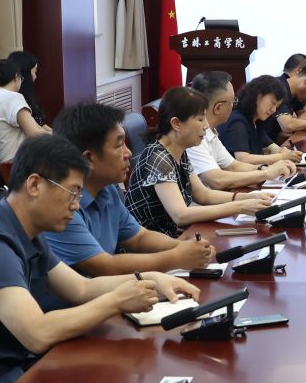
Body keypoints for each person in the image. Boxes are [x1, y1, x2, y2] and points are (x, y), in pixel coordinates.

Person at [0, 134, 200, 383]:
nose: (76, 206)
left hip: (6, 369)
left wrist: (152, 279)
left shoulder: (23, 230)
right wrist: (116, 301)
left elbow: (82, 288)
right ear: (35, 185)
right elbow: (38, 334)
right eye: (72, 193)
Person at [43, 102, 220, 276]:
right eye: (119, 145)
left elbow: (139, 237)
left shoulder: (107, 189)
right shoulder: (62, 206)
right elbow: (104, 266)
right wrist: (177, 257)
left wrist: (185, 247)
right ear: (89, 158)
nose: (128, 153)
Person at [127, 86, 270, 235]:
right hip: (154, 244)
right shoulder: (159, 158)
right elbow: (180, 215)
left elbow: (203, 195)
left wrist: (247, 197)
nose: (206, 126)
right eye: (200, 119)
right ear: (176, 124)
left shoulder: (179, 151)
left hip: (174, 237)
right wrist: (239, 207)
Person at [183, 71, 299, 191]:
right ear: (218, 107)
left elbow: (234, 166)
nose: (234, 105)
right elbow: (217, 181)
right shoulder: (193, 136)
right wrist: (267, 172)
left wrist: (266, 169)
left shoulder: (211, 132)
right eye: (232, 101)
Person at [0, 57, 48, 164]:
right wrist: (61, 137)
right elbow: (35, 134)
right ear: (16, 77)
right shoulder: (13, 98)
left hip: (8, 165)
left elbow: (36, 128)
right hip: (22, 164)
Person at [221, 74, 297, 162]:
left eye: (277, 106)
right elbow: (243, 158)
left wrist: (286, 152)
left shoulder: (256, 120)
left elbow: (271, 147)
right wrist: (282, 156)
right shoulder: (237, 121)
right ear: (257, 95)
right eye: (273, 103)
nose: (273, 110)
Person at [7, 49, 46, 125]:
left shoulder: (22, 98)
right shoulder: (17, 102)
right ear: (24, 73)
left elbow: (41, 126)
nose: (35, 77)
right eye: (34, 71)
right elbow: (35, 130)